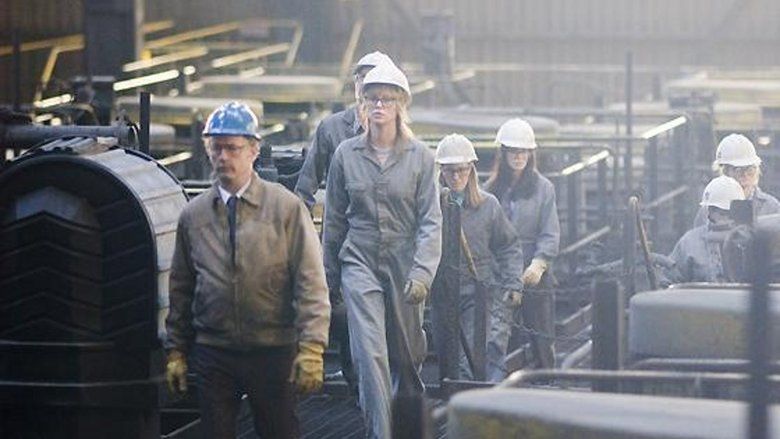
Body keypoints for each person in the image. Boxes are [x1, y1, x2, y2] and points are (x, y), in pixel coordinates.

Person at [165, 101, 330, 439]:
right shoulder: (194, 215)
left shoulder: (285, 209)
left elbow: (311, 282)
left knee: (279, 431)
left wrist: (312, 349)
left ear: (254, 150)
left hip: (271, 350)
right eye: (216, 148)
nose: (223, 157)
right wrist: (177, 350)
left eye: (233, 148)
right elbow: (181, 287)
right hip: (214, 351)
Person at [322, 62, 442, 438]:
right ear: (362, 104)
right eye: (372, 98)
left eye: (387, 99)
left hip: (406, 265)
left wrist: (422, 273)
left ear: (400, 106)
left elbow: (430, 221)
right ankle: (381, 433)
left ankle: (409, 423)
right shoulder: (346, 154)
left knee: (406, 360)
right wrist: (329, 279)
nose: (379, 105)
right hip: (359, 260)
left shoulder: (421, 157)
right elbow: (335, 222)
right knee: (369, 354)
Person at [294, 50, 392, 393]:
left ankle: (382, 390)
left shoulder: (397, 131)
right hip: (346, 243)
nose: (365, 85)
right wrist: (307, 240)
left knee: (391, 326)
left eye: (374, 80)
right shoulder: (332, 129)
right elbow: (304, 189)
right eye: (361, 79)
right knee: (350, 317)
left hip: (390, 245)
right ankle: (360, 389)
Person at [433, 133, 525, 382]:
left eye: (461, 170)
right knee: (446, 357)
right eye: (450, 171)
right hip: (441, 292)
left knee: (470, 356)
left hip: (478, 293)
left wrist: (513, 284)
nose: (456, 176)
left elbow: (508, 246)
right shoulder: (430, 209)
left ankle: (467, 404)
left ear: (471, 170)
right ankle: (450, 403)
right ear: (440, 171)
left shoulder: (488, 206)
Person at [484, 118, 560, 369]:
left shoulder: (543, 189)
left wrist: (539, 264)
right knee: (498, 335)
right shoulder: (490, 191)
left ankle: (548, 377)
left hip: (532, 272)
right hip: (501, 273)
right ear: (503, 153)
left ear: (531, 154)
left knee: (541, 333)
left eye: (523, 151)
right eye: (513, 151)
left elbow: (550, 232)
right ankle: (499, 383)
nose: (518, 157)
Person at [670, 175, 745, 283]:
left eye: (726, 211)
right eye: (715, 210)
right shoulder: (690, 242)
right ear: (708, 210)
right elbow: (670, 280)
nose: (722, 217)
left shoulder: (752, 242)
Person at [692, 133, 780, 226]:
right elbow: (698, 238)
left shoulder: (771, 208)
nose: (745, 176)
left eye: (750, 170)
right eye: (739, 171)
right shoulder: (709, 210)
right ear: (724, 172)